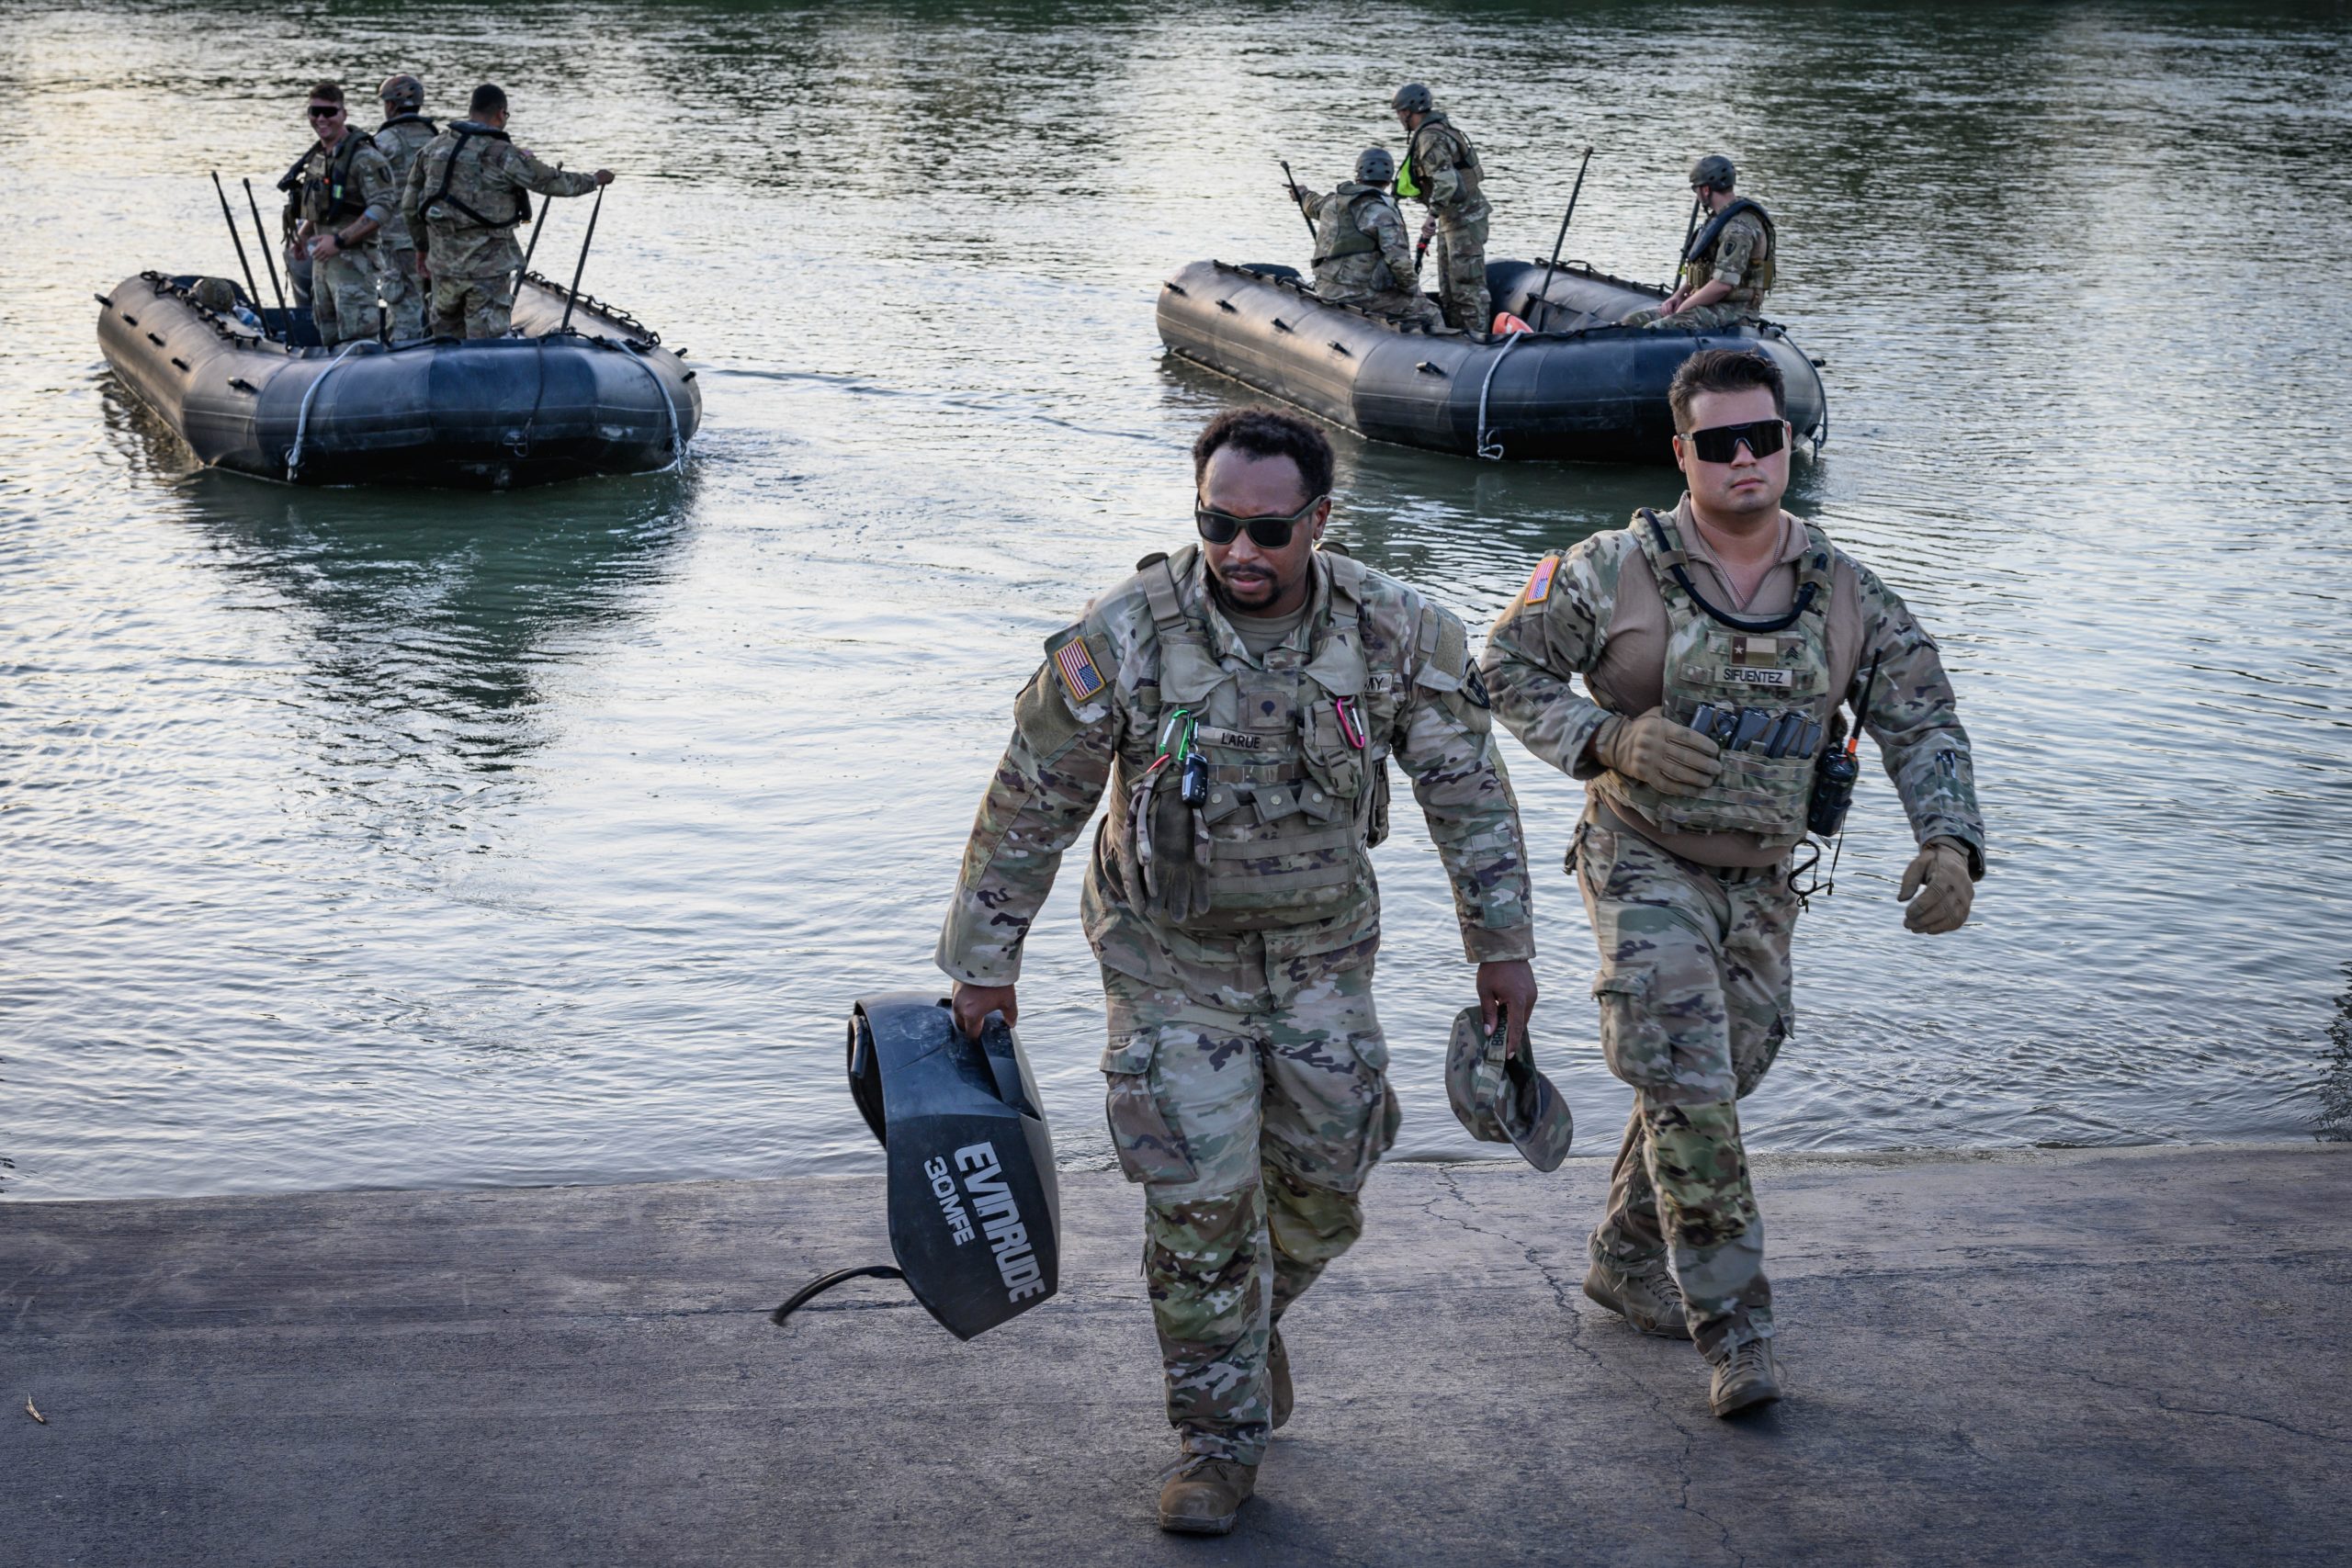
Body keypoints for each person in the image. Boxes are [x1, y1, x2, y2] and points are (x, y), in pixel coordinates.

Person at [936, 407, 1536, 1536]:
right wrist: (984, 962)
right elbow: (1030, 800)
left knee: (1329, 1177)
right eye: (1217, 525)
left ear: (1319, 519)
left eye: (1268, 531)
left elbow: (1470, 796)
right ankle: (1215, 1443)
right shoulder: (1124, 634)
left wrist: (1500, 949)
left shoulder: (1398, 630)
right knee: (1199, 1204)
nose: (1240, 554)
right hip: (1168, 962)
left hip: (1321, 956)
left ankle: (1248, 1331)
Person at [1479, 349, 1984, 1419]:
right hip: (1637, 856)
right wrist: (1606, 737)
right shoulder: (1610, 568)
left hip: (1762, 878)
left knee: (1718, 1071)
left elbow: (1924, 717)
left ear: (1789, 445)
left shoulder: (1845, 591)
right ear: (1683, 453)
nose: (1745, 458)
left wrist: (1950, 842)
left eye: (1764, 437)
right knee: (1684, 1072)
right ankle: (1736, 1329)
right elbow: (1504, 668)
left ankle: (1622, 1258)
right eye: (1719, 443)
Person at [401, 83, 611, 340]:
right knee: (487, 348)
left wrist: (422, 248)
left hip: (444, 267)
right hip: (488, 271)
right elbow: (553, 182)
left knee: (445, 342)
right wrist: (594, 180)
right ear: (501, 113)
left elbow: (410, 205)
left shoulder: (434, 148)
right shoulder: (503, 154)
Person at [289, 82, 398, 347]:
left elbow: (382, 206)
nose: (321, 119)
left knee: (358, 341)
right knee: (328, 335)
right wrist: (303, 236)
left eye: (329, 112)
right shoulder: (319, 157)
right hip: (322, 265)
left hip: (354, 266)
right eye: (315, 112)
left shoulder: (365, 158)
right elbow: (320, 207)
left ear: (343, 114)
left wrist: (339, 241)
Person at [1292, 149, 1442, 329]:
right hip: (1360, 294)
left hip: (1326, 288)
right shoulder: (1384, 214)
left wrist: (1302, 194)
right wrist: (1414, 292)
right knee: (1431, 312)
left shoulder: (1331, 202)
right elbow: (1399, 263)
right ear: (1388, 181)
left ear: (1358, 176)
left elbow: (1311, 204)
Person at [1623, 155, 1775, 331]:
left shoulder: (1737, 228)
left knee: (1654, 330)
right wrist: (1679, 295)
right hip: (1709, 304)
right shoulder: (1720, 218)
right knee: (1632, 322)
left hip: (1736, 311)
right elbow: (1705, 267)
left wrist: (1684, 308)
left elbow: (1723, 285)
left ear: (1706, 190)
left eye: (1696, 189)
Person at [1391, 83, 1490, 334]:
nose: (1400, 118)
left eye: (1401, 112)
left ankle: (1478, 339)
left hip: (1463, 221)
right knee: (1449, 287)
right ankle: (1458, 336)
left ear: (1410, 111)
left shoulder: (1430, 137)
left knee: (1466, 285)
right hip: (1453, 219)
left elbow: (1446, 181)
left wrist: (1432, 215)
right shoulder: (1436, 130)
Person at [370, 73, 437, 343]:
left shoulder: (385, 141)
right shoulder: (437, 138)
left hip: (398, 242)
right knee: (436, 305)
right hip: (435, 239)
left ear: (391, 105)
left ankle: (403, 357)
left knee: (403, 308)